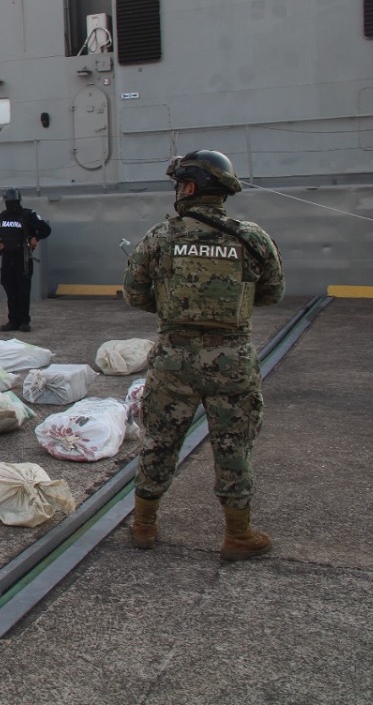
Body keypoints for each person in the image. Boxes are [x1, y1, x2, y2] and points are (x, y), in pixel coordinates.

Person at [123, 150, 285, 562]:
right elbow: (273, 293)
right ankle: (238, 535)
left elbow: (135, 295)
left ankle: (143, 526)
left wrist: (172, 307)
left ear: (191, 187)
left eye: (180, 184)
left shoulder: (160, 237)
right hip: (232, 362)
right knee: (234, 447)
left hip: (174, 361)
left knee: (160, 442)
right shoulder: (251, 237)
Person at [0, 187, 51, 331]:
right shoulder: (2, 216)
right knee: (10, 289)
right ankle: (13, 321)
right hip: (7, 257)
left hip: (22, 258)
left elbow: (46, 229)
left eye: (12, 202)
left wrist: (36, 237)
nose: (10, 204)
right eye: (8, 202)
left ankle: (24, 321)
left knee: (23, 290)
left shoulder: (28, 215)